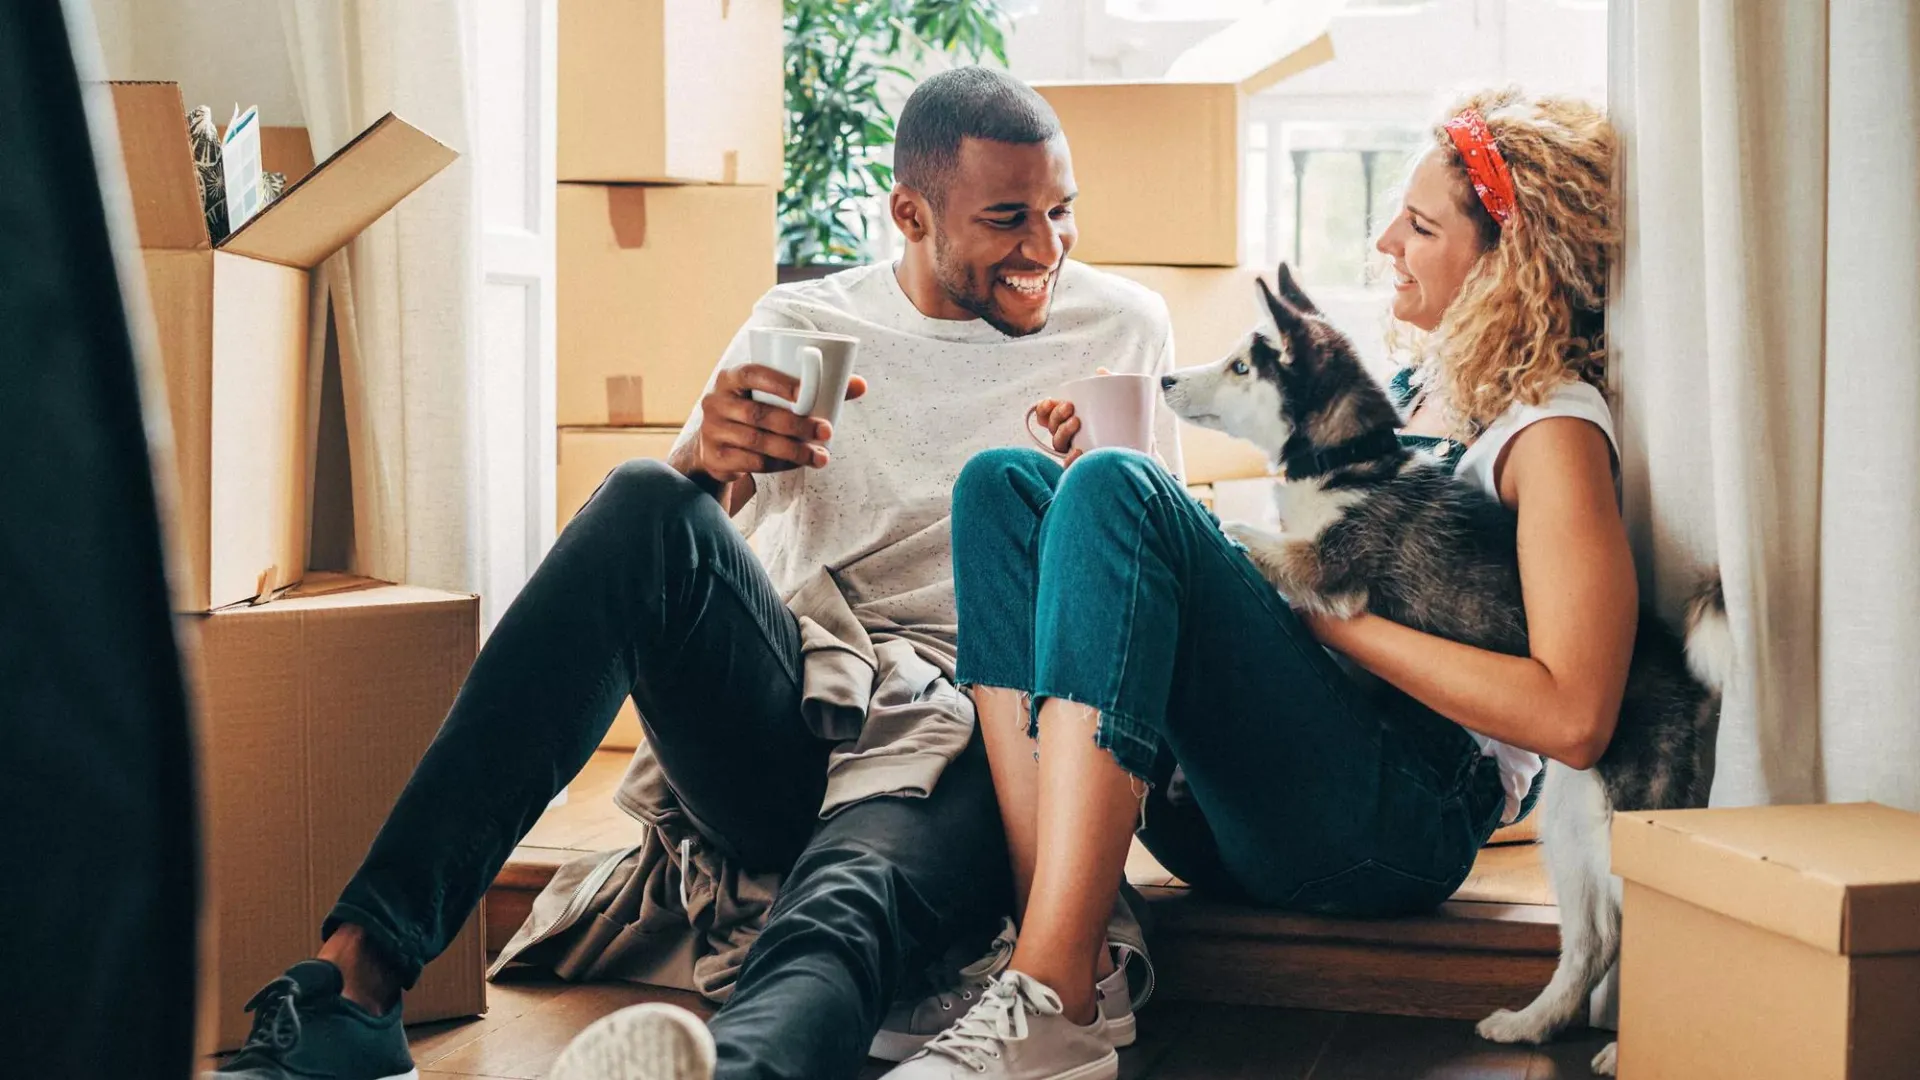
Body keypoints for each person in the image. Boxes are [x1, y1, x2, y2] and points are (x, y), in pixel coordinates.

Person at [210, 67, 1183, 1080]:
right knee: (642, 496)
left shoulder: (1120, 326)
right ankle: (357, 978)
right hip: (800, 709)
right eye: (1008, 218)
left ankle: (729, 1069)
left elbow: (1137, 590)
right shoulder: (805, 322)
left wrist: (1078, 505)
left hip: (974, 732)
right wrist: (707, 464)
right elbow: (676, 547)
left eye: (1061, 212)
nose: (1046, 249)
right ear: (910, 212)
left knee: (845, 901)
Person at [881, 88, 1627, 1080]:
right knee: (1007, 486)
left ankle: (1052, 993)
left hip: (1399, 818)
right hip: (1254, 805)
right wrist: (1130, 511)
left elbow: (1575, 715)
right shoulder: (1424, 394)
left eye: (1421, 223)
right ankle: (1067, 956)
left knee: (1116, 488)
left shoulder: (1554, 431)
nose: (1384, 239)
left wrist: (1327, 623)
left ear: (1509, 261)